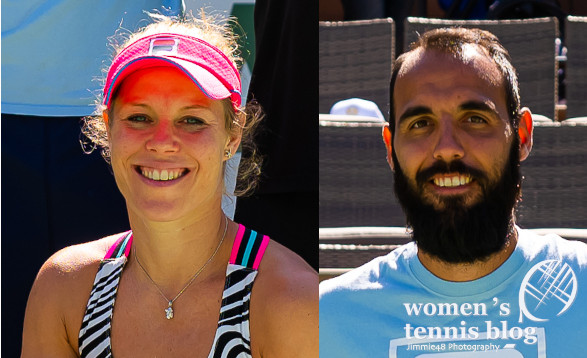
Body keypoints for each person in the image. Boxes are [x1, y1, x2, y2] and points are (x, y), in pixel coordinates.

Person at [21, 13, 318, 358]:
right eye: (139, 118)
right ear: (109, 129)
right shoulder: (63, 287)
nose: (162, 142)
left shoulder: (292, 299)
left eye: (191, 120)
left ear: (232, 138)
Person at [319, 27, 587, 357]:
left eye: (474, 119)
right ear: (391, 149)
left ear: (521, 135)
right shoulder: (327, 322)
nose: (447, 148)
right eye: (420, 124)